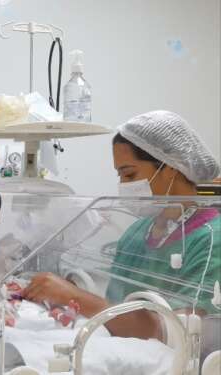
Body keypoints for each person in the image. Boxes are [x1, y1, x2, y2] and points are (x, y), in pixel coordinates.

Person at [22, 110, 221, 340]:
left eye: (129, 174)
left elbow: (178, 334)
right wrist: (70, 299)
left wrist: (74, 296)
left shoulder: (211, 240)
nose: (122, 185)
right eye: (119, 176)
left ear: (170, 168)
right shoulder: (136, 233)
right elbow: (115, 307)